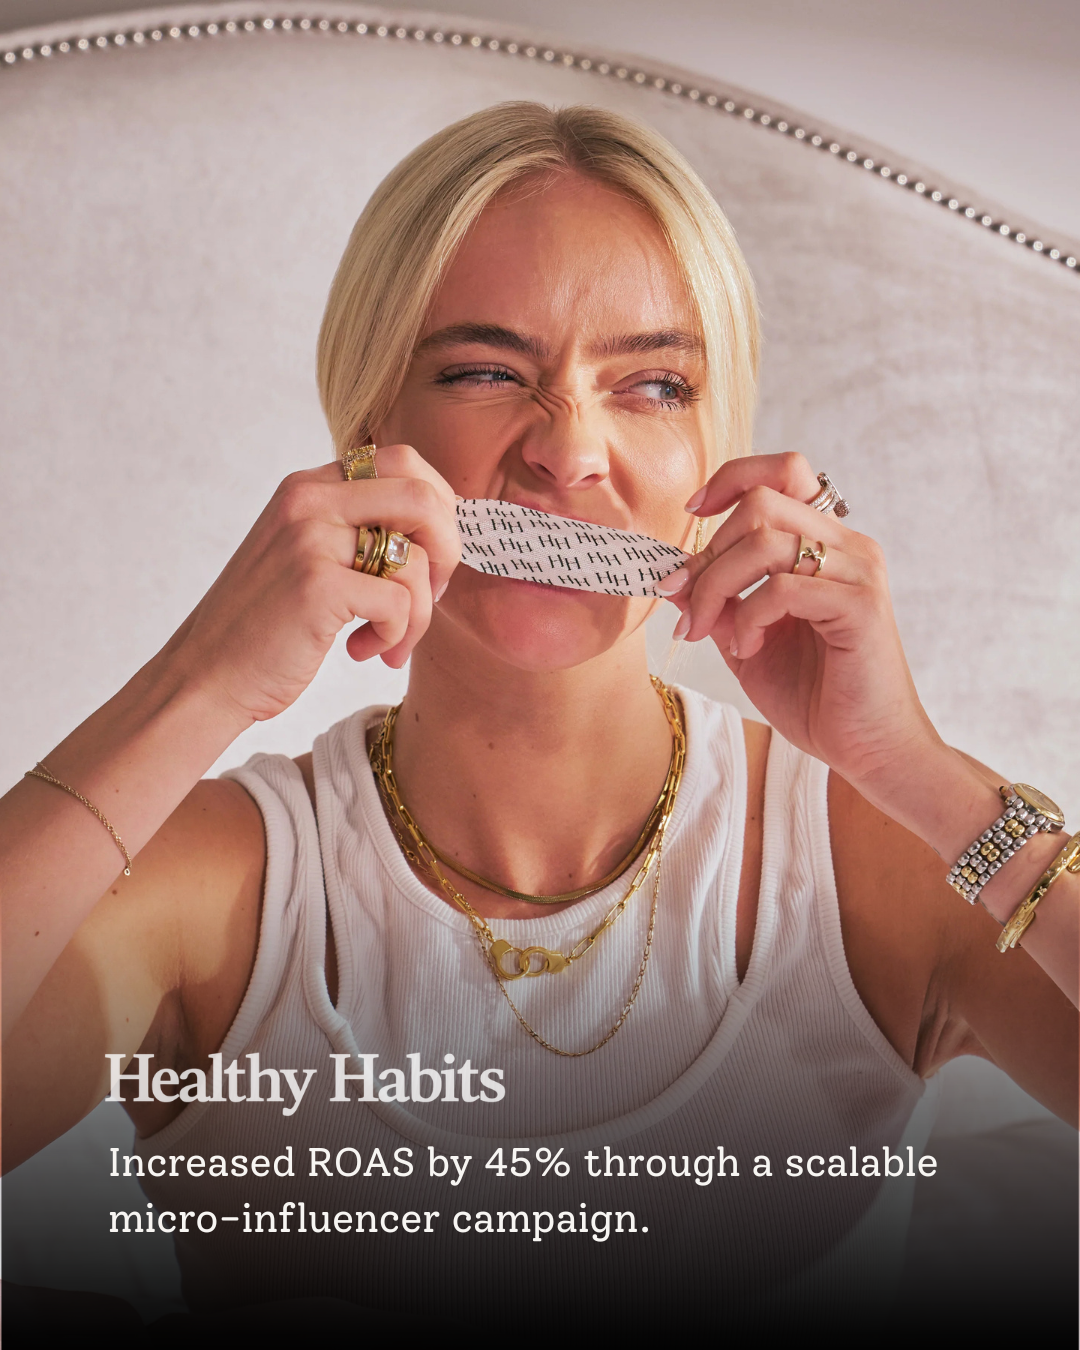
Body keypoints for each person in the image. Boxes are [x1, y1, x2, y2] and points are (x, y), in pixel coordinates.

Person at [2, 102, 1076, 1334]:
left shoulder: (870, 860)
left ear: (714, 466)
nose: (570, 454)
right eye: (483, 372)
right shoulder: (221, 891)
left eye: (653, 385)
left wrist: (921, 773)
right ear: (369, 436)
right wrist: (202, 684)